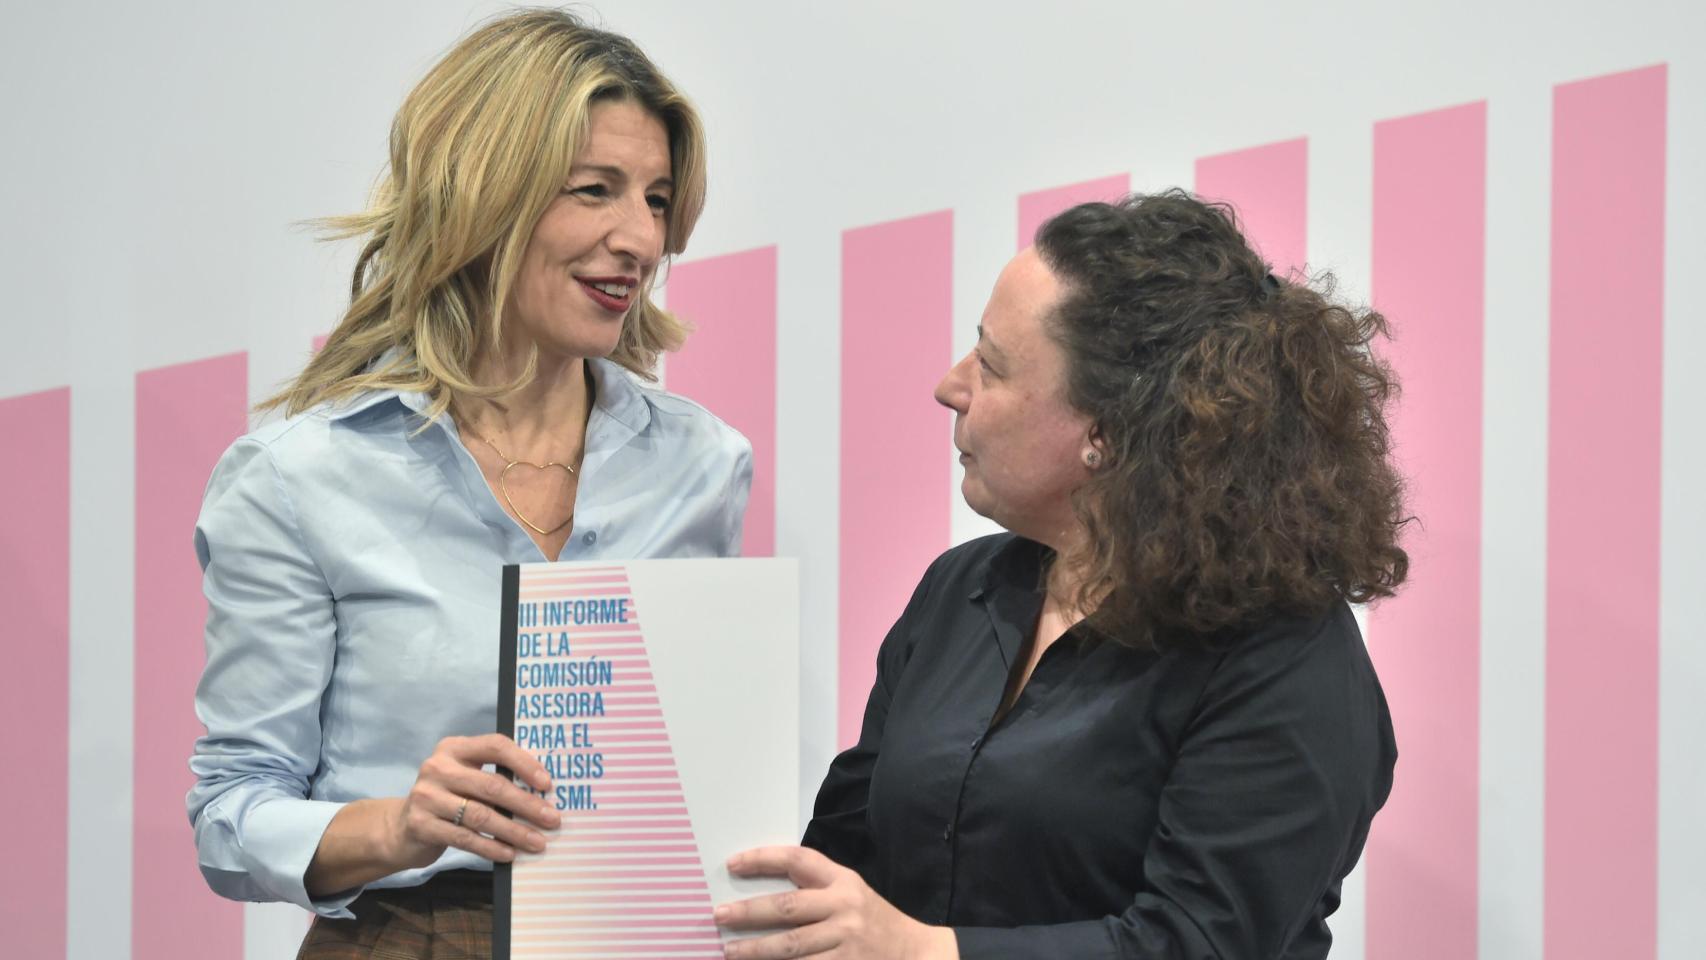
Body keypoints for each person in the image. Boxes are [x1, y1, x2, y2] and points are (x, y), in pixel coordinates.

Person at [187, 10, 750, 957]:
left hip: (638, 932)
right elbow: (229, 814)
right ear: (483, 197)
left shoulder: (704, 465)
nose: (640, 239)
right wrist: (399, 826)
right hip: (410, 934)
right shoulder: (297, 477)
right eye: (595, 190)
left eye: (656, 200)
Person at [716, 190, 1404, 959]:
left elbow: (1200, 941)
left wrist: (925, 952)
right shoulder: (957, 590)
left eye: (992, 366)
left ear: (1106, 432)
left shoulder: (1287, 657)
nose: (951, 386)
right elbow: (842, 860)